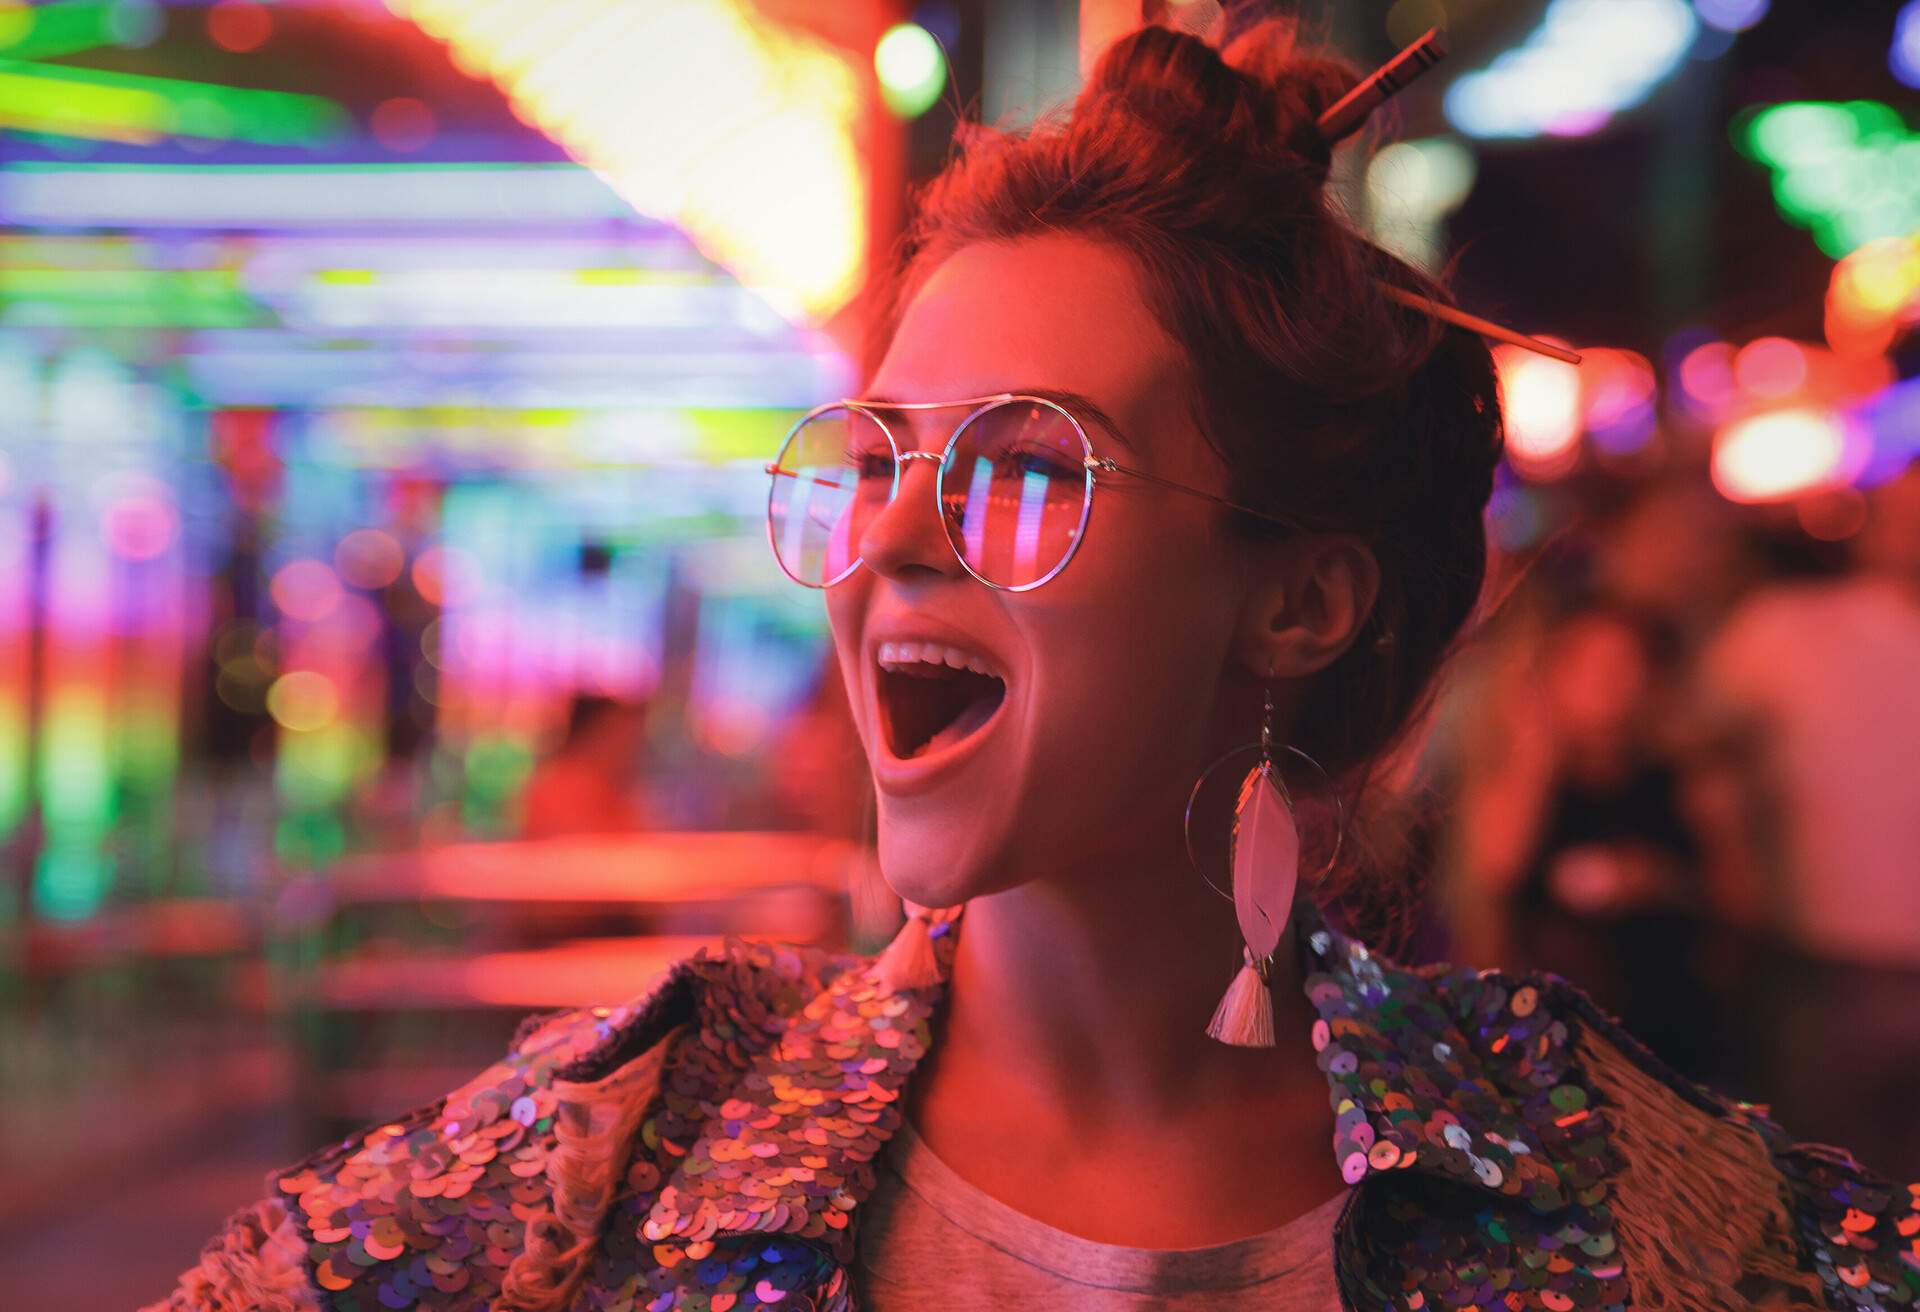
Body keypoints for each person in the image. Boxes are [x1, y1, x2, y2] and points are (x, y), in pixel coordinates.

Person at [149, 14, 1913, 1312]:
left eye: (1023, 469)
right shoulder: (597, 1172)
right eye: (875, 458)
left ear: (1295, 603)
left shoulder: (1632, 1202)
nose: (896, 538)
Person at [517, 694, 654, 840]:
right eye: (620, 734)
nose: (630, 746)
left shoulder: (611, 791)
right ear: (593, 732)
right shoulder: (561, 793)